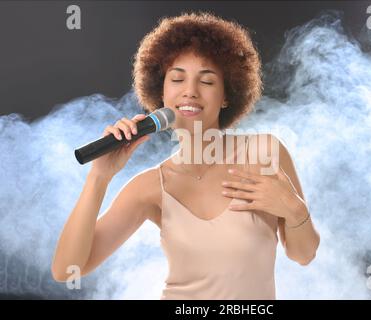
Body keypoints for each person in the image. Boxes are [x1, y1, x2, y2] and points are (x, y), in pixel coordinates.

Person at [52, 11, 320, 300]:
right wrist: (99, 177)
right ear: (161, 93)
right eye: (177, 79)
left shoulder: (264, 153)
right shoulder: (151, 187)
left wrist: (294, 209)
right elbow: (67, 271)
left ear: (227, 95)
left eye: (206, 82)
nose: (190, 92)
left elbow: (302, 255)